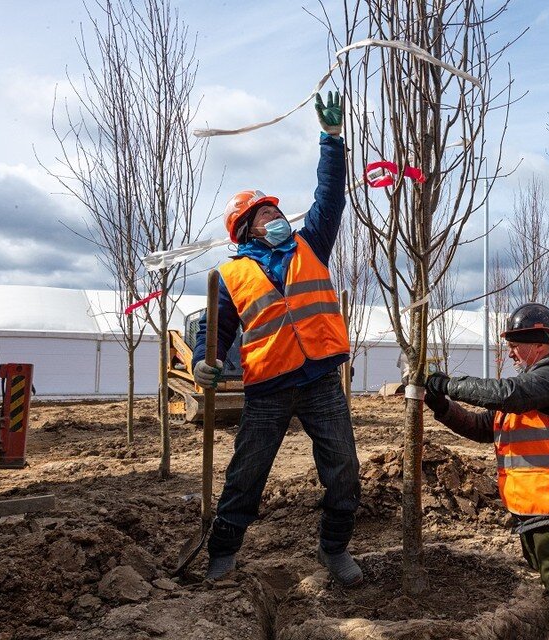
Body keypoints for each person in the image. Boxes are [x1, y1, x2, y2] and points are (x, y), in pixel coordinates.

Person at [191, 92, 363, 586]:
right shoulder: (229, 275)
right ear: (246, 229)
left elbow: (330, 197)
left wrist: (332, 141)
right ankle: (222, 553)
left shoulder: (311, 243)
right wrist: (206, 361)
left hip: (321, 380)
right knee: (246, 476)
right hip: (266, 388)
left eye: (274, 211)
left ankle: (335, 549)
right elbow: (214, 331)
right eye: (265, 214)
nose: (276, 217)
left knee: (343, 471)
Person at [424, 303, 549, 619]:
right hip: (541, 516)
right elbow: (482, 427)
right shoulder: (530, 388)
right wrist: (442, 407)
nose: (509, 354)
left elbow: (510, 394)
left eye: (513, 346)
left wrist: (448, 383)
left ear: (537, 343)